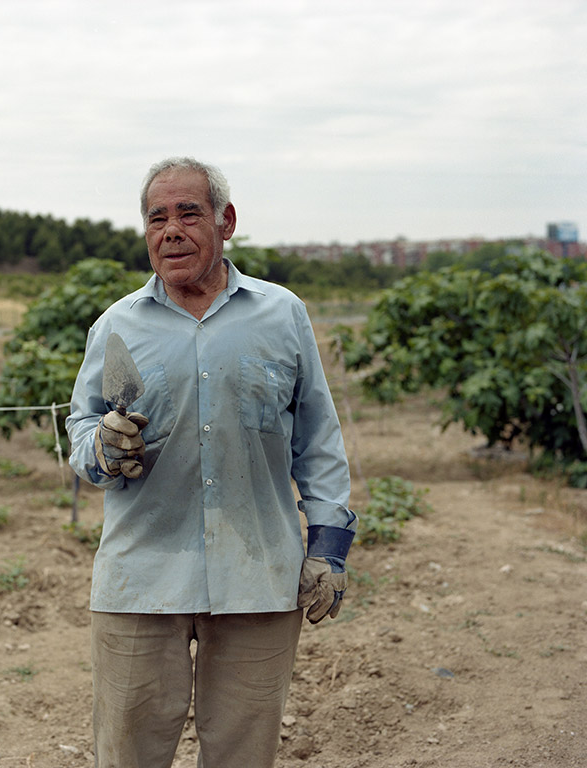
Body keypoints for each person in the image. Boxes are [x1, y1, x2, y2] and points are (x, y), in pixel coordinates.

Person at [65, 157, 356, 768]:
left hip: (257, 580)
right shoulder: (116, 327)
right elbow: (82, 432)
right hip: (139, 583)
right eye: (156, 218)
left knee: (242, 757)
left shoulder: (282, 315)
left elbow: (317, 438)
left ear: (225, 222)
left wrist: (328, 546)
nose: (171, 230)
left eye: (188, 213)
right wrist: (102, 446)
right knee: (127, 756)